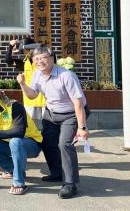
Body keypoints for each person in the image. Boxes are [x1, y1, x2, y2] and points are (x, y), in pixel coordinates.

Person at [17, 46, 89, 199]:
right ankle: (56, 173)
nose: (40, 61)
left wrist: (82, 127)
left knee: (64, 144)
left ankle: (70, 183)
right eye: (36, 59)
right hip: (51, 113)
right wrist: (23, 84)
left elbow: (78, 103)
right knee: (47, 141)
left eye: (43, 57)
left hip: (70, 114)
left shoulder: (66, 75)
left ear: (52, 58)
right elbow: (32, 95)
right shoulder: (37, 74)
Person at [0, 85, 43, 195]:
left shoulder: (14, 106)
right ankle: (13, 170)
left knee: (15, 141)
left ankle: (19, 183)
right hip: (10, 143)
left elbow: (19, 132)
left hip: (32, 144)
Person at [6, 37, 47, 128]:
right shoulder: (25, 63)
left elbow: (42, 46)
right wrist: (10, 47)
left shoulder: (42, 61)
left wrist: (26, 46)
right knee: (33, 128)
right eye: (24, 50)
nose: (25, 52)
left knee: (47, 127)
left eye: (27, 50)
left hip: (44, 100)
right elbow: (9, 61)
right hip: (30, 102)